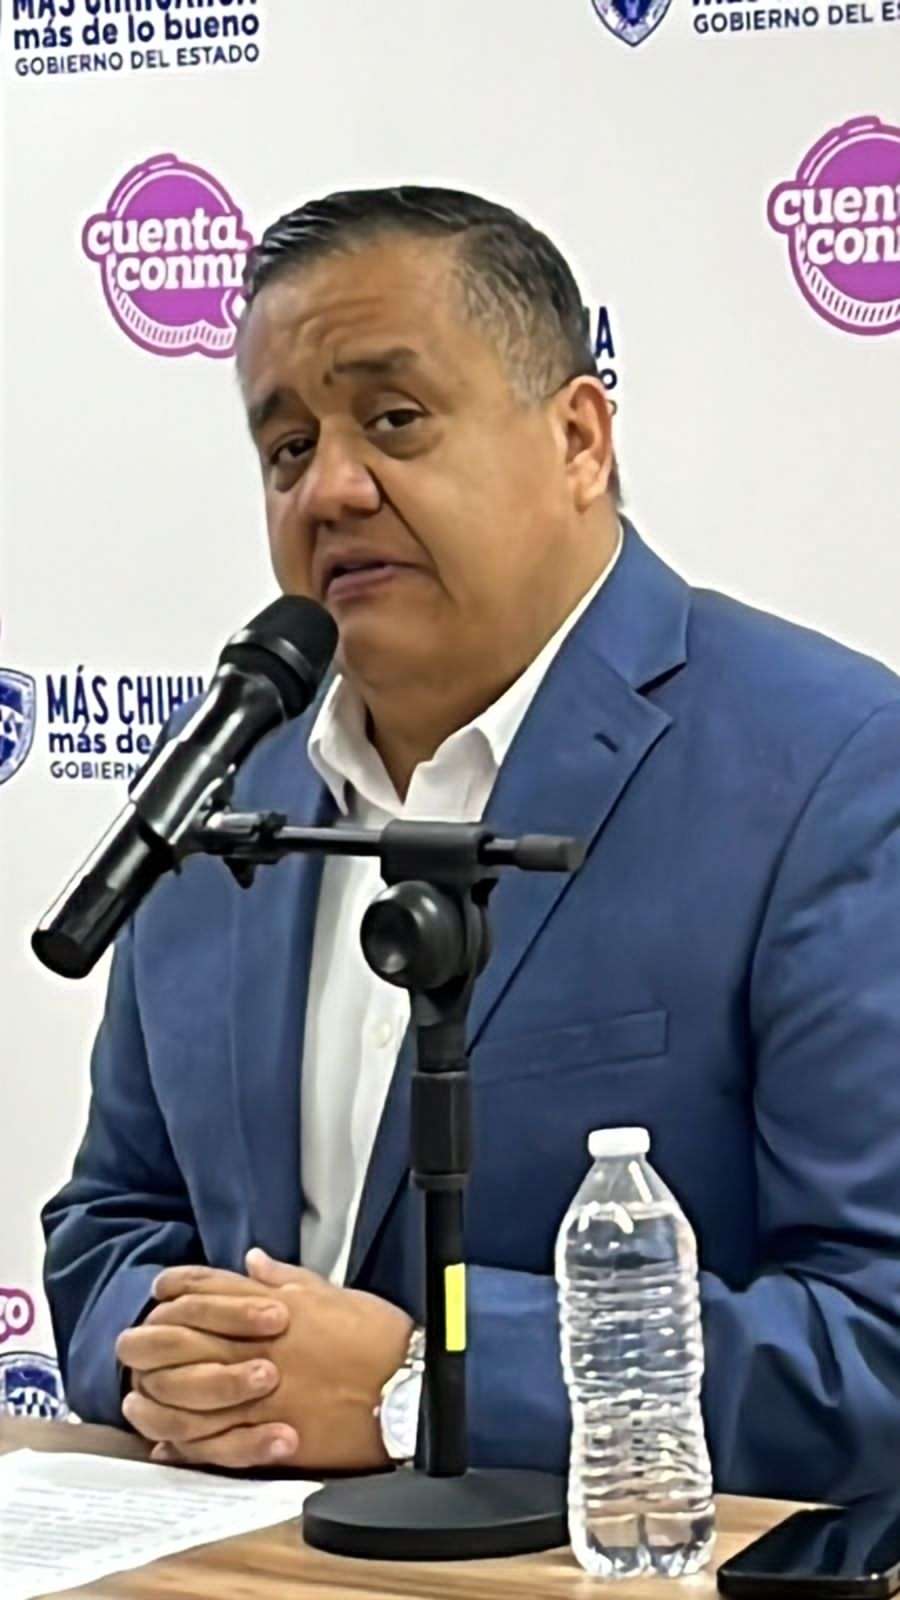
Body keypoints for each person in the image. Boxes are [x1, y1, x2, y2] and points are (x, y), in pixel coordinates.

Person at [43, 187, 900, 1499]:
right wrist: (172, 1357)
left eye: (394, 420)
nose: (331, 489)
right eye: (286, 447)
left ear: (578, 439)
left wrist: (425, 1381)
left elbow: (874, 1342)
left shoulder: (828, 765)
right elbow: (113, 1222)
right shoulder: (224, 783)